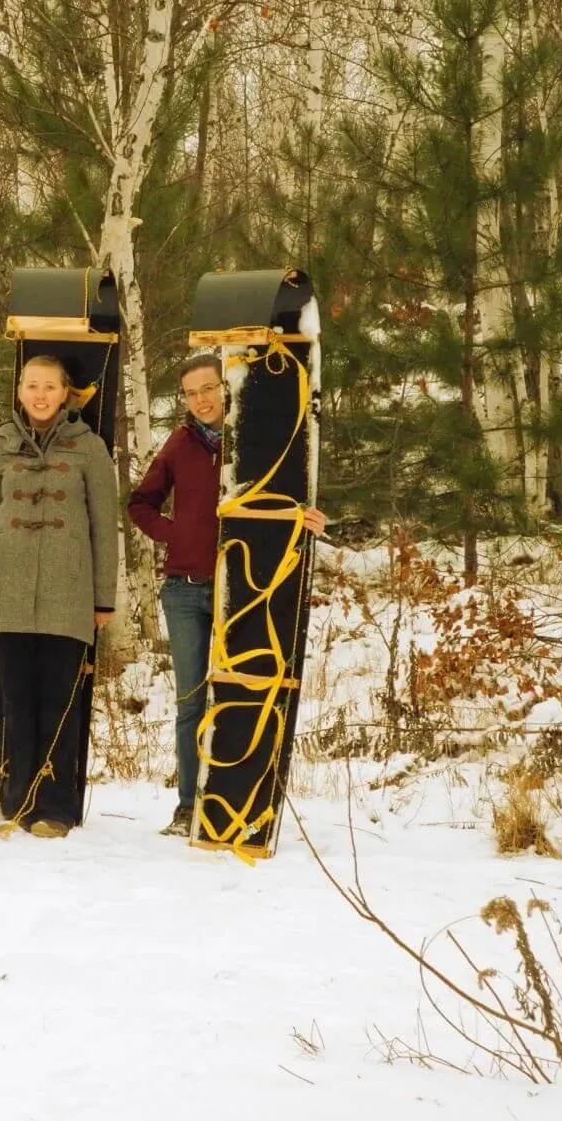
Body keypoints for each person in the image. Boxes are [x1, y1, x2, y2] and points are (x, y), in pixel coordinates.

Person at [126, 352, 325, 837]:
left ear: (226, 387)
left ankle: (236, 802)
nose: (201, 400)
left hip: (243, 589)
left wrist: (310, 517)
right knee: (192, 701)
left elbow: (287, 494)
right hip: (185, 591)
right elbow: (139, 502)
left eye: (209, 388)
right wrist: (177, 535)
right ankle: (188, 807)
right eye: (191, 393)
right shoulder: (180, 443)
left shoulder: (253, 440)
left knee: (243, 691)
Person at [0, 355, 118, 838]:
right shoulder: (0, 443)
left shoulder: (90, 447)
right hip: (9, 591)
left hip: (68, 591)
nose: (40, 395)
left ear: (65, 393)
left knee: (60, 702)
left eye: (49, 387)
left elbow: (104, 527)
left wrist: (103, 598)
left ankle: (55, 808)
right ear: (20, 390)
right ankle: (16, 802)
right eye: (31, 385)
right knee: (15, 701)